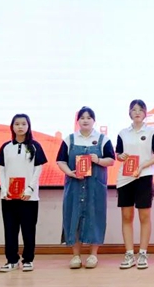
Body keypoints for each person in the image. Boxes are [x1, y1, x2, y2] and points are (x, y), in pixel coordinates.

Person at [56, 107, 113, 269]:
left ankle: (93, 255)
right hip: (74, 185)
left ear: (94, 121)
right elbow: (60, 161)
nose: (85, 120)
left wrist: (98, 160)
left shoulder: (103, 139)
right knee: (73, 217)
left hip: (95, 187)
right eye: (82, 118)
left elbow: (111, 160)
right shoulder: (70, 139)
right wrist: (70, 173)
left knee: (95, 217)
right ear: (78, 121)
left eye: (89, 118)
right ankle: (76, 256)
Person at [0, 114, 48, 272]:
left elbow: (38, 170)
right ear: (12, 127)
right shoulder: (6, 147)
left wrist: (30, 189)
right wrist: (4, 189)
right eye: (17, 124)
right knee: (10, 229)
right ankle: (11, 260)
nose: (20, 127)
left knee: (28, 229)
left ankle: (28, 260)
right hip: (8, 197)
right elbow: (1, 170)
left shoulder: (35, 146)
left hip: (29, 197)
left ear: (28, 126)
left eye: (24, 124)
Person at [115, 99, 154, 269]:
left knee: (144, 216)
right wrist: (120, 157)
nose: (137, 112)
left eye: (140, 109)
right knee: (127, 216)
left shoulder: (151, 132)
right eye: (133, 109)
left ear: (145, 113)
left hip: (144, 176)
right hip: (125, 178)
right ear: (129, 112)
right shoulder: (123, 133)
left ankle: (142, 253)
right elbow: (118, 155)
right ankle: (129, 253)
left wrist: (142, 166)